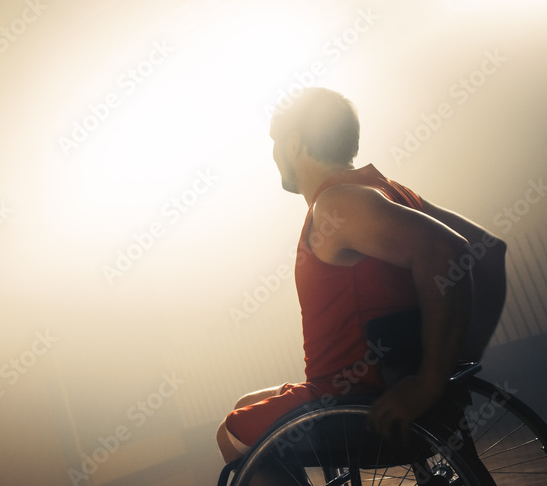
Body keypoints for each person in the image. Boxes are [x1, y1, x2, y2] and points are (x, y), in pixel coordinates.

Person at [216, 88, 508, 470]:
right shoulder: (386, 192)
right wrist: (458, 362)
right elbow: (489, 250)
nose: (273, 154)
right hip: (370, 395)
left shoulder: (337, 204)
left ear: (293, 143)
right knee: (246, 407)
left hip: (354, 405)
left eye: (275, 143)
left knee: (232, 434)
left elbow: (446, 251)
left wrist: (431, 381)